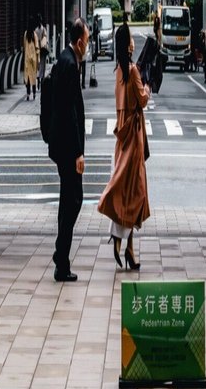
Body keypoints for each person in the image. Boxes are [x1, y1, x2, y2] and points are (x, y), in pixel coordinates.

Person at [98, 21, 150, 271]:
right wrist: (147, 88)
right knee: (135, 193)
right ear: (127, 44)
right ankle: (120, 239)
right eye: (130, 38)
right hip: (134, 137)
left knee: (126, 191)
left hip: (121, 135)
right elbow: (143, 100)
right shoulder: (133, 72)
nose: (133, 42)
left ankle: (128, 247)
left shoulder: (119, 71)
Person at [48, 18, 88, 282]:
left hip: (60, 145)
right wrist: (78, 153)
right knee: (73, 200)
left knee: (68, 200)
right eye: (87, 40)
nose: (88, 45)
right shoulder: (71, 65)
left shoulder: (64, 59)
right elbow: (70, 113)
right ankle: (61, 257)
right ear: (80, 41)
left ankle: (61, 257)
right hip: (67, 148)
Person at [22, 16, 39, 101]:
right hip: (33, 59)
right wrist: (38, 59)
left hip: (27, 59)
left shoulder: (26, 34)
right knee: (33, 77)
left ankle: (28, 94)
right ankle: (34, 93)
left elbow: (24, 46)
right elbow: (37, 47)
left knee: (28, 77)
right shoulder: (34, 34)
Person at [35, 14, 49, 91]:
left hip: (37, 50)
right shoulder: (43, 29)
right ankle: (41, 79)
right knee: (43, 66)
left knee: (38, 65)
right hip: (43, 50)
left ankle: (38, 78)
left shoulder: (36, 30)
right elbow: (46, 39)